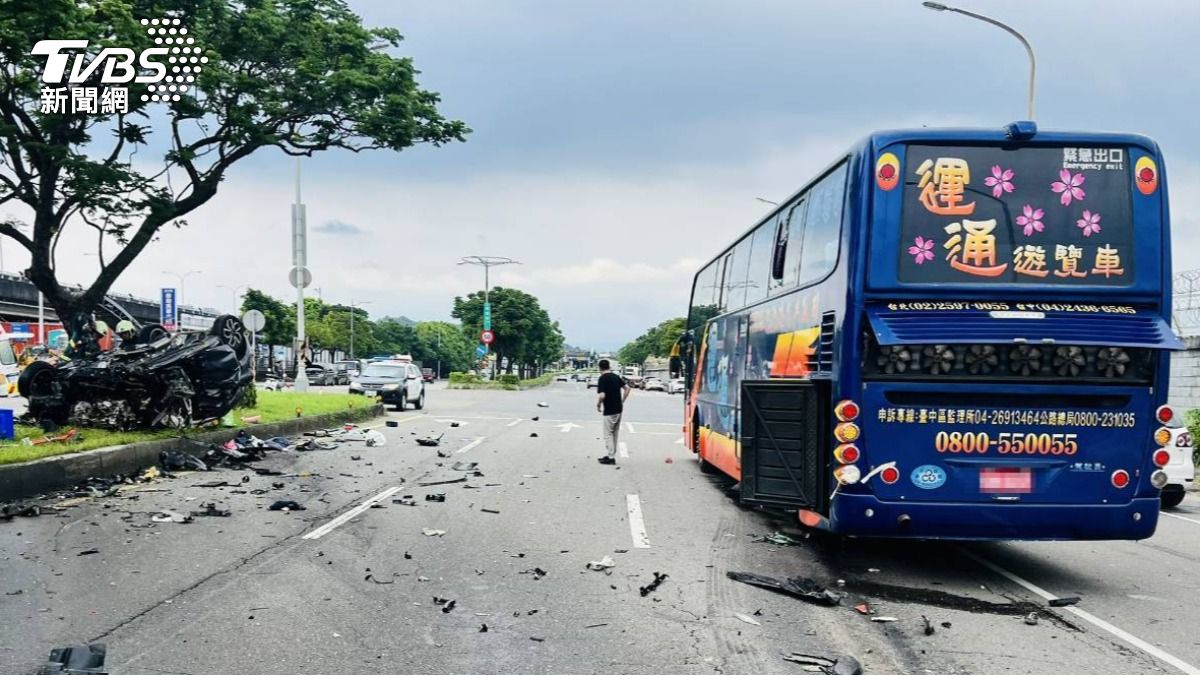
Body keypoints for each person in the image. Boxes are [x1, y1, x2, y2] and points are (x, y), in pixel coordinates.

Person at [595, 359, 631, 465]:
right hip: (619, 409)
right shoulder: (616, 376)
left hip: (609, 409)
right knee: (614, 433)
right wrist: (622, 401)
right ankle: (611, 454)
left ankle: (611, 457)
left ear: (600, 368)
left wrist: (598, 404)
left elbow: (602, 395)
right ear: (609, 366)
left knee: (608, 434)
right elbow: (627, 388)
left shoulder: (602, 378)